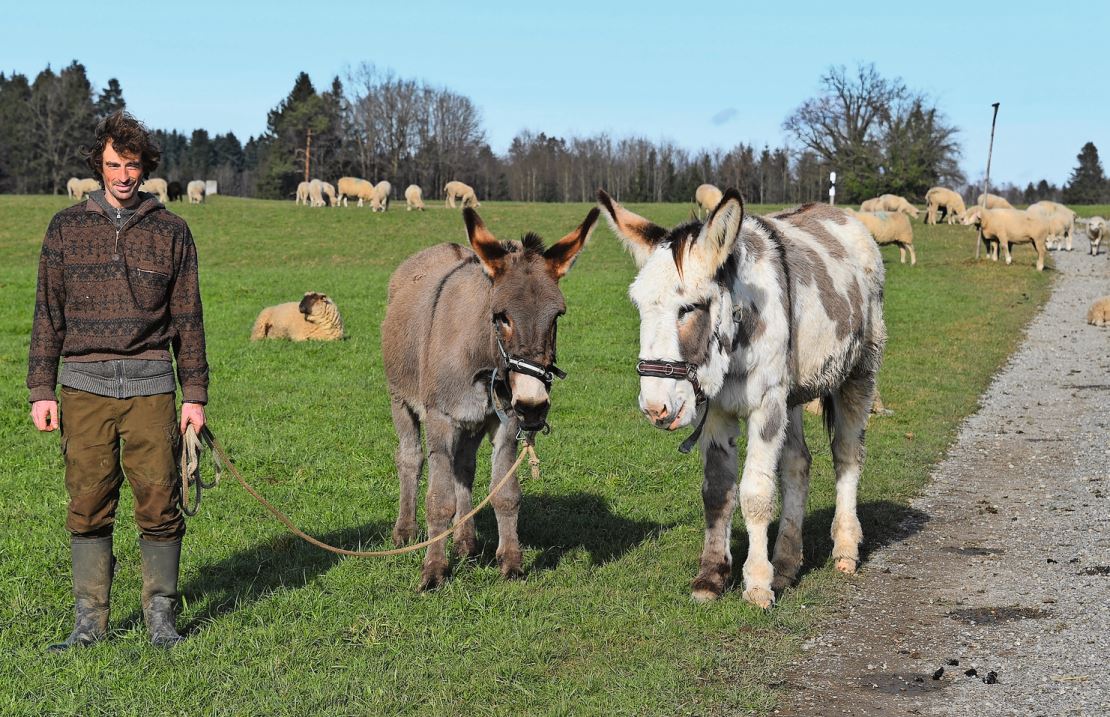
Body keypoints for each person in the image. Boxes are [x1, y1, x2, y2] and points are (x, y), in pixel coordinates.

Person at [28, 111, 208, 650]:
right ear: (98, 165)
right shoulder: (65, 227)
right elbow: (47, 314)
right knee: (87, 501)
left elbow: (190, 320)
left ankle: (161, 621)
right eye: (113, 164)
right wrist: (41, 389)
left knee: (160, 500)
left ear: (145, 167)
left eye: (132, 165)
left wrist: (194, 395)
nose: (123, 175)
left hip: (152, 384)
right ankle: (90, 624)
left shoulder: (173, 231)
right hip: (83, 385)